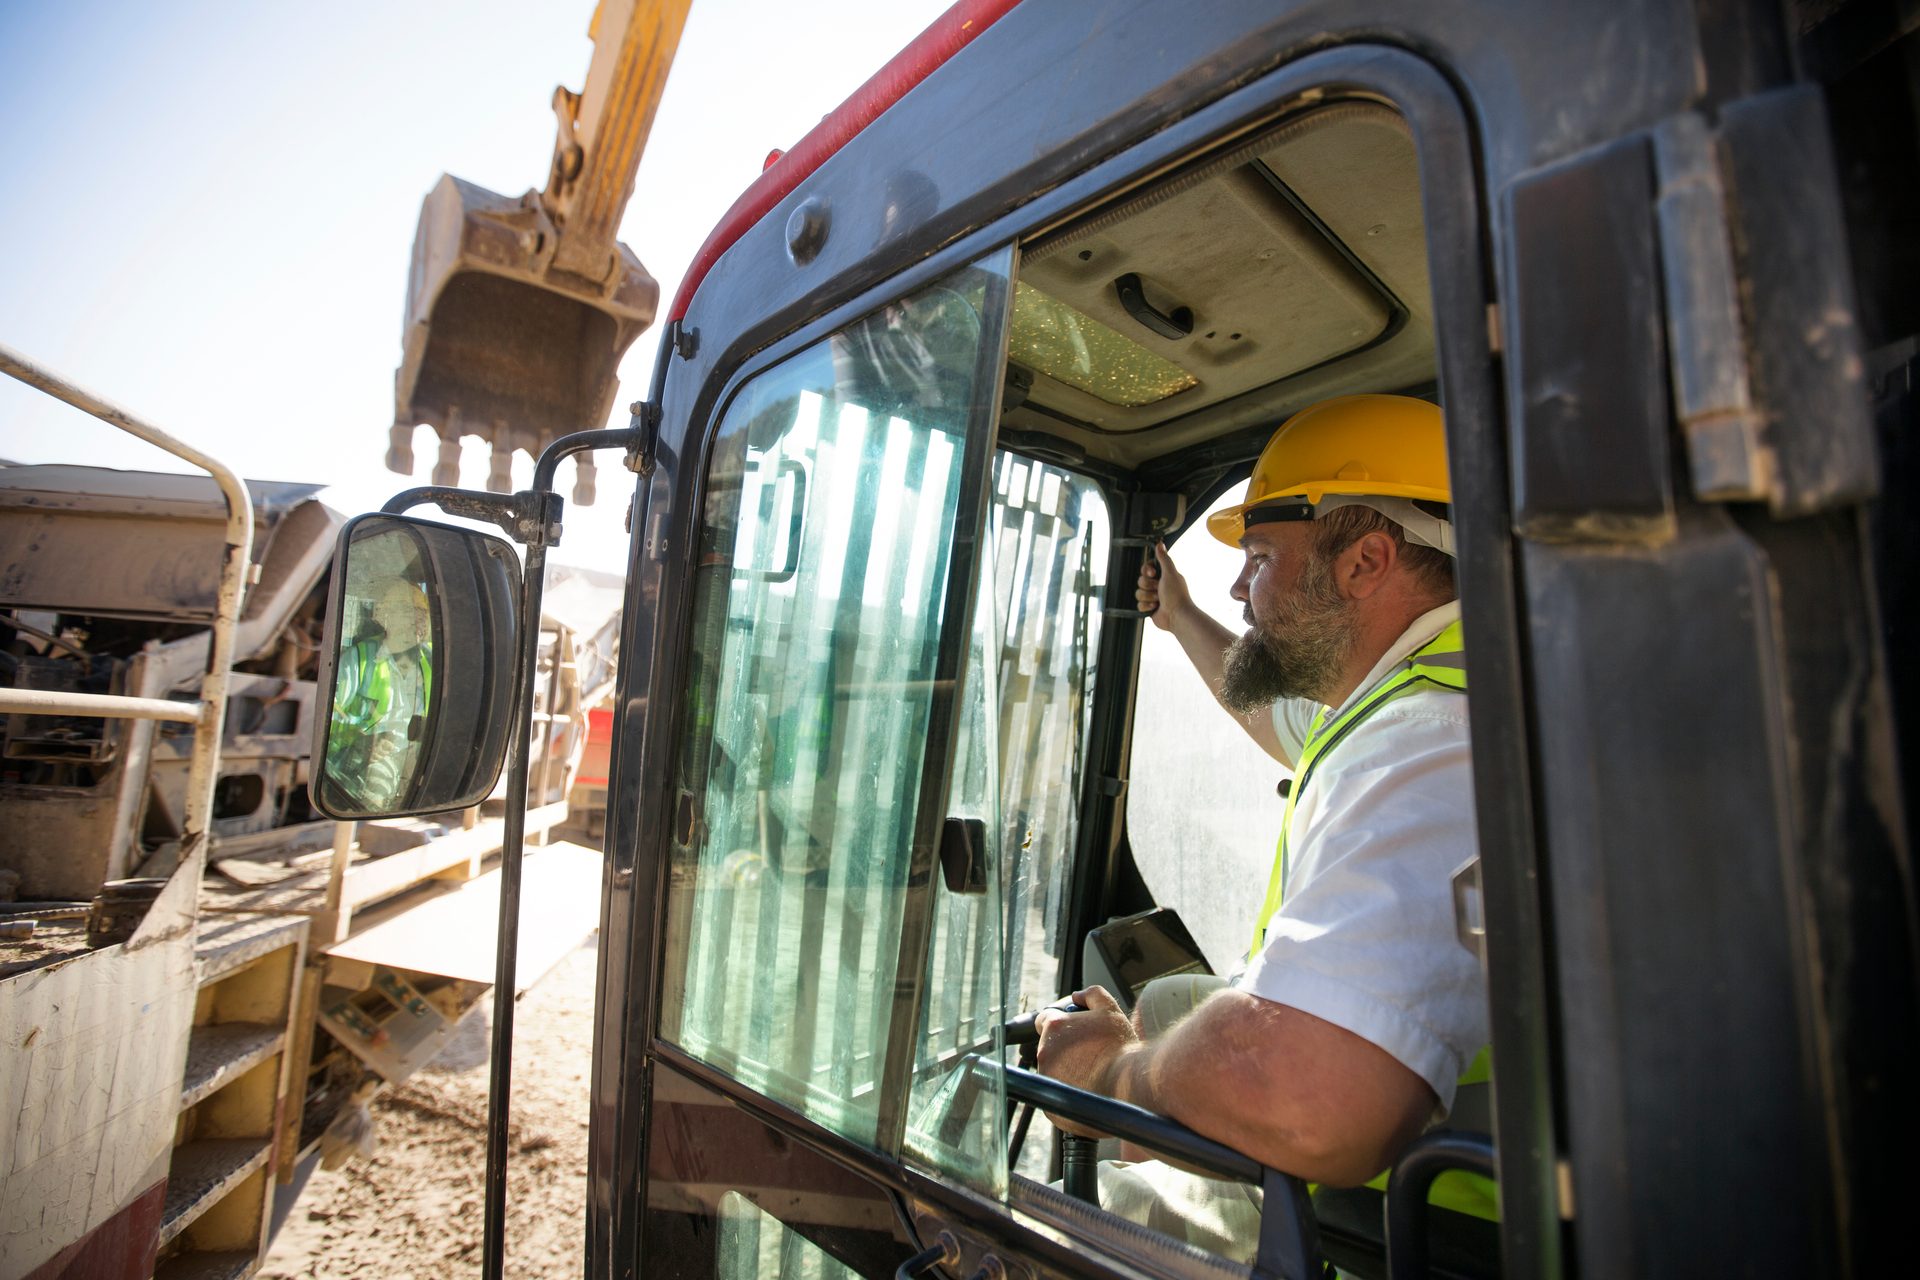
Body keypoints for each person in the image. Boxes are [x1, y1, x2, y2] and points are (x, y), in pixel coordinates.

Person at [1034, 394, 1490, 1244]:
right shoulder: (1436, 684)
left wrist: (1111, 1075)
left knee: (1110, 1217)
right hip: (1425, 1188)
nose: (1239, 586)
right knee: (1173, 1001)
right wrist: (1179, 621)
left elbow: (1315, 1105)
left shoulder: (1431, 739)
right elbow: (1283, 727)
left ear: (1365, 561)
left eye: (1260, 557)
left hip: (1411, 1231)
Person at [327, 578, 435, 811]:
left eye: (422, 616)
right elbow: (329, 720)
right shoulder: (358, 661)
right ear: (386, 617)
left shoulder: (432, 665)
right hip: (366, 761)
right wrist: (363, 741)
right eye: (408, 613)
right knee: (373, 800)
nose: (418, 623)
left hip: (416, 758)